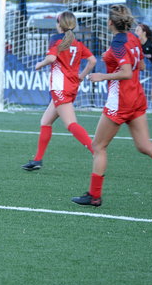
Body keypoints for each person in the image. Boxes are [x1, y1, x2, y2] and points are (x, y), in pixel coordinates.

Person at [71, 4, 152, 207]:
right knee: (144, 146)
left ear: (110, 23)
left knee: (98, 146)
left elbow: (127, 72)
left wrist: (103, 75)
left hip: (121, 101)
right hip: (136, 97)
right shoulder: (133, 38)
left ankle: (94, 195)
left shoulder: (119, 43)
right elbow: (142, 65)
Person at [22, 11, 97, 171]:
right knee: (45, 122)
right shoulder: (76, 43)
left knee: (71, 124)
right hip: (71, 86)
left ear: (59, 24)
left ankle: (95, 150)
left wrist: (39, 64)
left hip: (60, 87)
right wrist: (81, 76)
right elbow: (92, 61)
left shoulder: (57, 39)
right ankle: (37, 160)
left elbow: (51, 58)